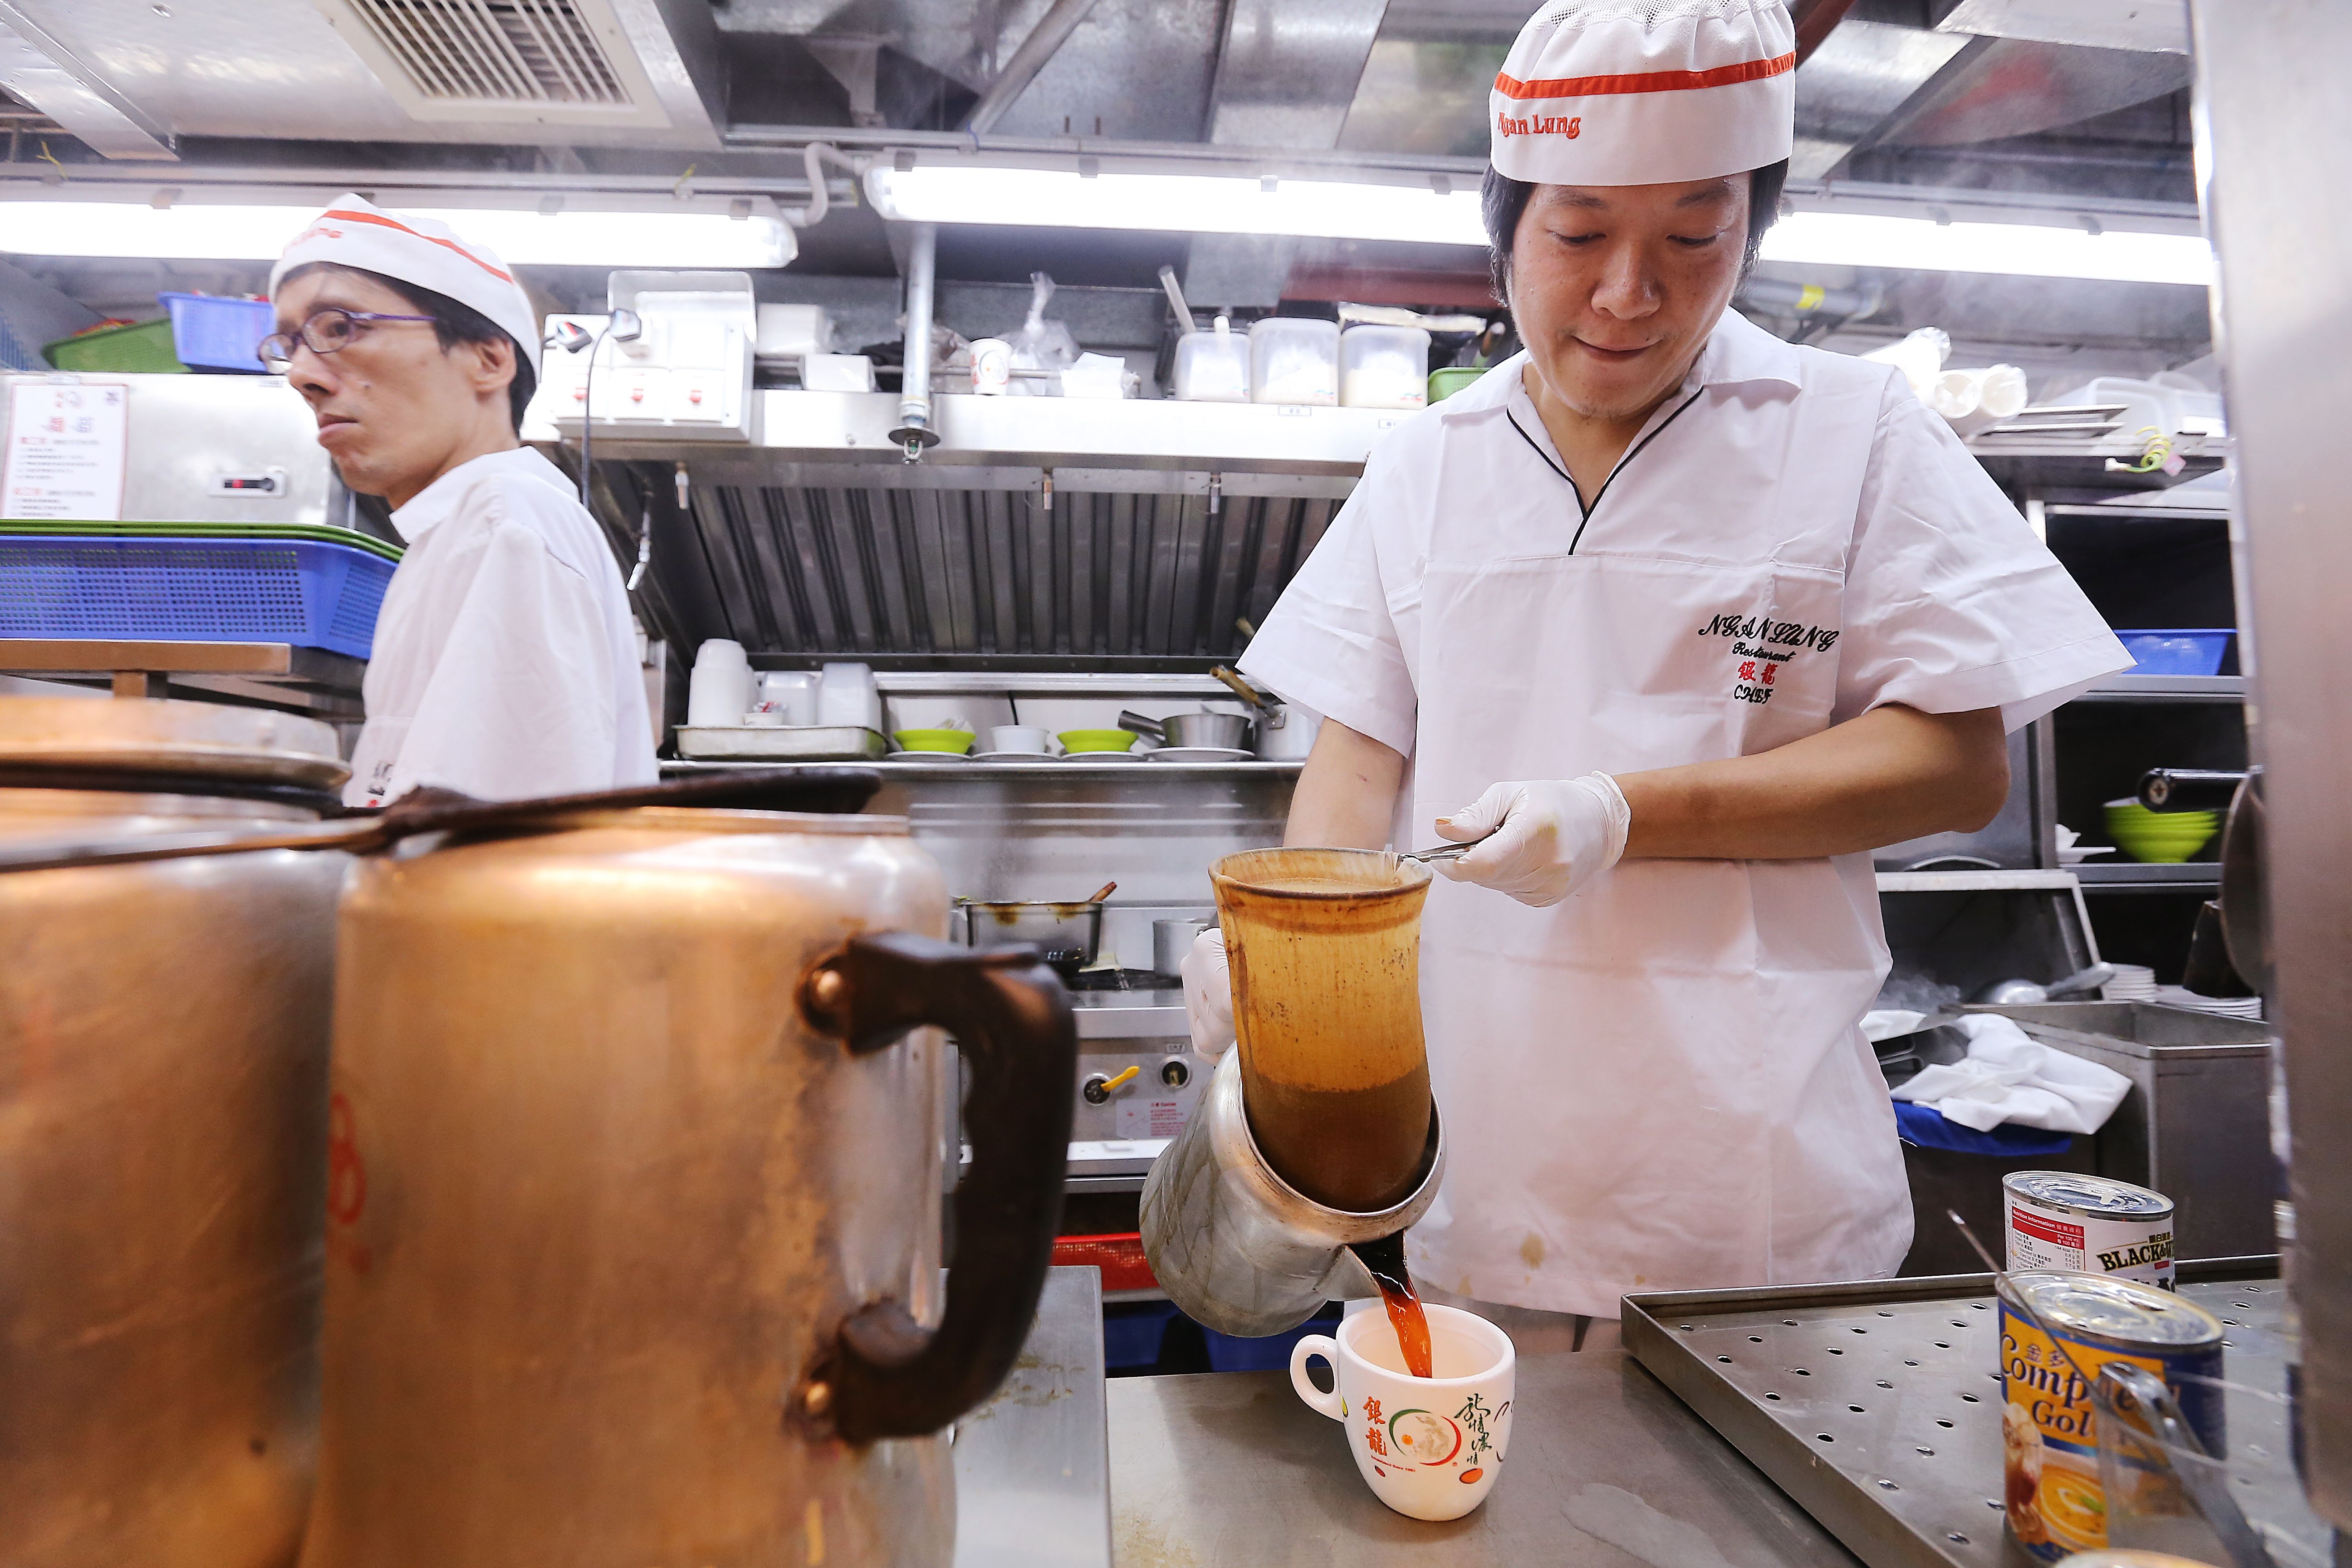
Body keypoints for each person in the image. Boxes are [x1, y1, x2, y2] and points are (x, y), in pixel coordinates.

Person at [1184, 0, 2129, 1329]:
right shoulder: (1426, 464)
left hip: (1754, 1198)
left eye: (1696, 237)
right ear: (1504, 226)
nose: (1632, 293)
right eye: (1578, 235)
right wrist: (1276, 960)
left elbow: (1955, 763)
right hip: (1471, 1190)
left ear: (1751, 229)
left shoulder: (1849, 432)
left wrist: (1623, 813)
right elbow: (1360, 756)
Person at [266, 194, 656, 808]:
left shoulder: (504, 521)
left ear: (488, 359)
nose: (301, 375)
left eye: (340, 328)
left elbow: (481, 847)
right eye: (290, 344)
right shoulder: (456, 533)